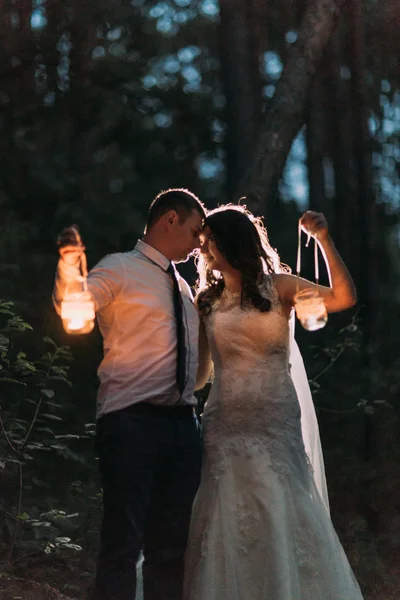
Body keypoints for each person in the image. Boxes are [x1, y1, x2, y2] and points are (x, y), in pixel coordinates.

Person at [183, 205, 363, 600]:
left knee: (283, 501)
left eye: (211, 239)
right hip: (225, 423)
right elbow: (200, 376)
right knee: (224, 510)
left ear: (232, 240)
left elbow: (343, 297)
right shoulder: (206, 301)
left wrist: (324, 240)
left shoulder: (278, 287)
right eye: (203, 241)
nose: (204, 248)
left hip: (273, 419)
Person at [52, 189, 206, 600]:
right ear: (169, 220)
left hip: (185, 430)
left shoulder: (186, 291)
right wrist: (70, 267)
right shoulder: (119, 268)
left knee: (171, 550)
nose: (197, 245)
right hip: (131, 423)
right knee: (124, 542)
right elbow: (76, 316)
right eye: (194, 232)